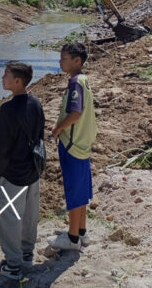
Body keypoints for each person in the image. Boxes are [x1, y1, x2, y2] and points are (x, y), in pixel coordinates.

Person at [0, 61, 45, 281]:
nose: (3, 78)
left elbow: (2, 146)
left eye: (6, 74)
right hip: (32, 169)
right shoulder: (36, 103)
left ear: (18, 81)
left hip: (12, 174)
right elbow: (39, 135)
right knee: (29, 216)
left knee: (9, 219)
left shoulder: (8, 109)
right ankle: (26, 253)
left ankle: (13, 266)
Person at [49, 41, 97, 251]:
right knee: (82, 191)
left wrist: (57, 129)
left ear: (77, 61)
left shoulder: (75, 83)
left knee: (74, 192)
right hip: (83, 144)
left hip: (72, 145)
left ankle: (72, 238)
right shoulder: (83, 80)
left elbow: (75, 113)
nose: (60, 62)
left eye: (64, 58)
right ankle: (82, 232)